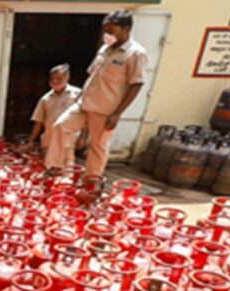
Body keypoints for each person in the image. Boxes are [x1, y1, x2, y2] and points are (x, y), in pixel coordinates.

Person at [45, 10, 149, 177]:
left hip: (105, 109)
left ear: (126, 29)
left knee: (97, 145)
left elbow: (136, 84)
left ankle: (92, 180)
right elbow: (92, 75)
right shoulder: (104, 49)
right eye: (105, 30)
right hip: (84, 103)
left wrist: (117, 114)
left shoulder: (135, 53)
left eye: (111, 30)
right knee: (60, 126)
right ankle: (55, 167)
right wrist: (79, 98)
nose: (107, 35)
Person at [27, 64, 81, 159]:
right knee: (47, 165)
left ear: (67, 78)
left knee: (67, 166)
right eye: (52, 79)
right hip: (49, 141)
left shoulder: (77, 95)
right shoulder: (45, 99)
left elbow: (86, 118)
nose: (55, 81)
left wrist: (82, 137)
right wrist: (31, 140)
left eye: (59, 79)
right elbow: (38, 121)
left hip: (69, 141)